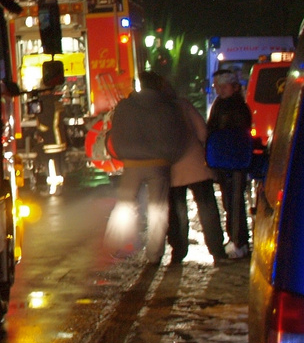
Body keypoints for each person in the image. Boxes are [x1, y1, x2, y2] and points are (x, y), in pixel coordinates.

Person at [105, 71, 191, 263]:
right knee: (158, 208)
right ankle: (154, 254)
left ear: (140, 84)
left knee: (125, 204)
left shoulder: (125, 106)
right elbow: (179, 133)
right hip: (159, 163)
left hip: (132, 162)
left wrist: (121, 154)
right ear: (159, 85)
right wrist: (172, 156)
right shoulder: (167, 107)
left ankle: (114, 244)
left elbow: (114, 133)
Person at [165, 79, 228, 264]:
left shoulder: (158, 110)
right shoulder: (184, 105)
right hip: (195, 163)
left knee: (177, 210)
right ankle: (217, 249)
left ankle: (178, 251)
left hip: (171, 166)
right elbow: (202, 130)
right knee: (207, 207)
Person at [208, 69, 254, 258]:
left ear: (233, 86)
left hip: (232, 159)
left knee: (234, 201)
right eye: (217, 86)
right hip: (228, 159)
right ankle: (236, 239)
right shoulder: (225, 103)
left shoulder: (234, 105)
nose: (219, 90)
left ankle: (239, 241)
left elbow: (223, 130)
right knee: (230, 201)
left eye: (222, 86)